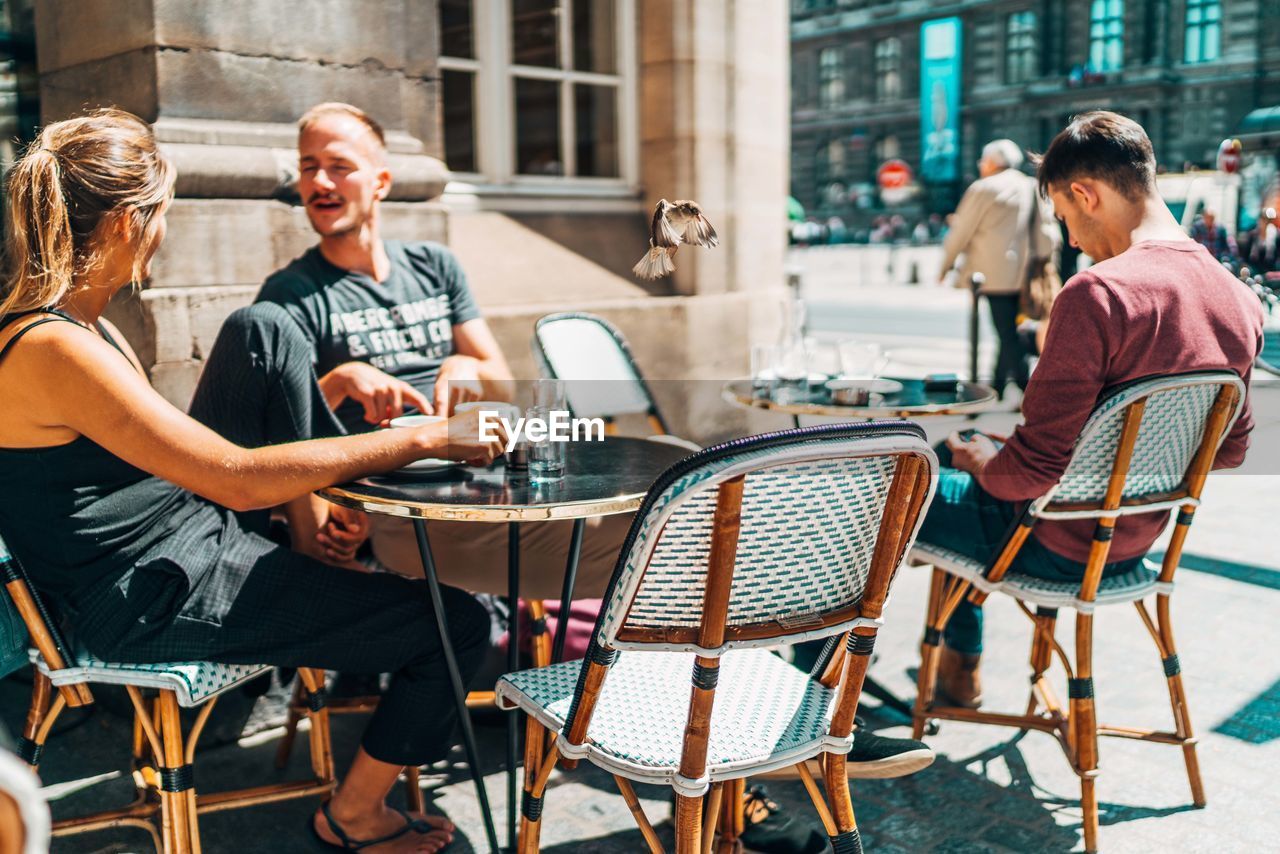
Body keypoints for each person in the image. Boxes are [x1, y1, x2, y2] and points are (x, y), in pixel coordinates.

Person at [0, 110, 509, 851]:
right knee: (457, 626)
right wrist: (421, 439)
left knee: (262, 329)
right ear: (124, 223)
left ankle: (320, 542)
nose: (162, 233)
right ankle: (354, 816)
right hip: (145, 598)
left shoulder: (81, 323)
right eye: (161, 215)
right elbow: (233, 478)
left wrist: (325, 388)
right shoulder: (54, 347)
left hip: (176, 540)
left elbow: (179, 459)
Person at [921, 111, 1262, 707]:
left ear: (1086, 193)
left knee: (903, 484)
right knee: (970, 454)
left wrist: (981, 464)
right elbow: (1229, 450)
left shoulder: (1098, 293)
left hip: (1053, 545)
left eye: (1067, 218)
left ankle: (821, 687)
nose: (1073, 241)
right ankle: (957, 669)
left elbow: (1028, 473)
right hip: (1135, 546)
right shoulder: (1238, 296)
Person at [252, 102, 633, 600]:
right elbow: (281, 428)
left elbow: (503, 383)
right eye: (308, 167)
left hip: (488, 480)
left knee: (658, 504)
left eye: (339, 166)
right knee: (639, 536)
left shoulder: (434, 265)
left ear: (381, 181)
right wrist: (341, 380)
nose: (320, 182)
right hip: (399, 509)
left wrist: (466, 364)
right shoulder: (289, 294)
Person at [939, 139, 1061, 397]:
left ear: (992, 162)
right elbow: (1046, 232)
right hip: (1025, 272)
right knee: (1008, 329)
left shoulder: (984, 188)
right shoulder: (1029, 185)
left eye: (983, 161)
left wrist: (945, 266)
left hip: (993, 273)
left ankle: (1019, 384)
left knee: (1005, 331)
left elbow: (961, 231)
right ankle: (1000, 382)